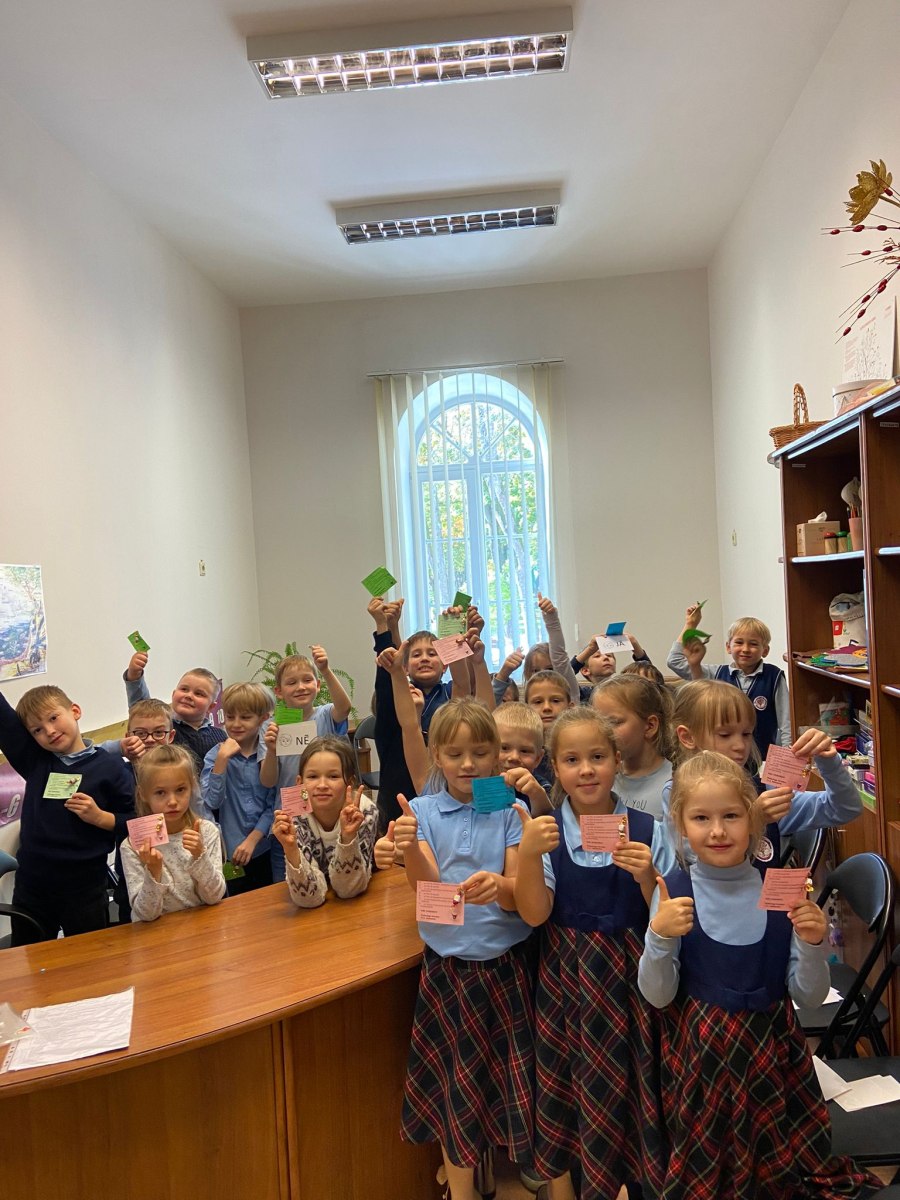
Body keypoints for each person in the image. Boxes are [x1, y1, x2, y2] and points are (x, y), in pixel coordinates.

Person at [639, 751, 879, 1199]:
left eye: (731, 816)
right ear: (680, 824)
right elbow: (657, 995)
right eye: (701, 818)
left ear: (753, 818)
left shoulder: (780, 889)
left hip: (775, 1055)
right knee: (712, 1179)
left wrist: (812, 943)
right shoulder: (673, 891)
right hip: (704, 1061)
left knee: (780, 1177)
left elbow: (809, 997)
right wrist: (659, 935)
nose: (717, 831)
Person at [513, 706, 673, 1200]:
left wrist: (647, 879)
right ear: (555, 768)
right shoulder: (545, 830)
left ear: (617, 761)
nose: (586, 770)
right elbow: (535, 914)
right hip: (568, 988)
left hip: (632, 985)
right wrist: (528, 854)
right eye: (572, 760)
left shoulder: (648, 829)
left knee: (638, 1089)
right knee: (572, 1093)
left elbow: (666, 916)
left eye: (598, 757)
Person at [395, 700, 535, 1200]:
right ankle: (463, 1190)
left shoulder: (508, 808)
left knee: (502, 1082)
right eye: (455, 754)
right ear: (437, 755)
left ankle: (492, 1169)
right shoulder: (423, 811)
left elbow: (519, 891)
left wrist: (500, 886)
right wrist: (409, 844)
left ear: (497, 754)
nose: (468, 764)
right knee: (456, 1084)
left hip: (506, 968)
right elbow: (427, 889)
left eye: (480, 752)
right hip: (449, 971)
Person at [667, 681, 863, 866]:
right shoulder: (675, 793)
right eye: (725, 735)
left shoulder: (765, 789)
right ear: (687, 737)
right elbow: (691, 858)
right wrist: (752, 820)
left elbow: (845, 809)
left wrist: (829, 762)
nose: (740, 745)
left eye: (746, 734)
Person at [0, 684, 134, 944]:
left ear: (75, 711)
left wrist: (101, 817)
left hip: (85, 886)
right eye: (37, 730)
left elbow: (138, 822)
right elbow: (4, 721)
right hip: (33, 885)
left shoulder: (111, 768)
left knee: (87, 956)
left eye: (53, 718)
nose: (49, 731)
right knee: (31, 956)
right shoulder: (36, 761)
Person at [259, 646, 350, 878]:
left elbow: (344, 707)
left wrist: (325, 670)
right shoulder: (270, 727)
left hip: (327, 812)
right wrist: (271, 750)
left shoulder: (326, 714)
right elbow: (267, 781)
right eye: (291, 683)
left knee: (331, 875)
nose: (300, 687)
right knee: (289, 878)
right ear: (279, 692)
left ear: (317, 686)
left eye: (307, 680)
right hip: (289, 815)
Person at [121, 743, 225, 921]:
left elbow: (214, 897)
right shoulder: (133, 845)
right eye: (160, 792)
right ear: (143, 794)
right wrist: (153, 871)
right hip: (156, 933)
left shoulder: (206, 831)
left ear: (192, 787)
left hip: (202, 926)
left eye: (180, 790)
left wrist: (200, 856)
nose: (172, 801)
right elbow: (146, 915)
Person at [666, 610, 790, 758]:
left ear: (765, 650)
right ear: (728, 647)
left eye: (753, 644)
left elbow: (786, 722)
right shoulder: (715, 674)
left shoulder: (774, 676)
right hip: (723, 758)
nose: (745, 649)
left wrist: (787, 758)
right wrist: (690, 624)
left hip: (763, 759)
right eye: (739, 642)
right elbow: (674, 661)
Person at [271, 736, 377, 908]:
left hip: (357, 905)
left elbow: (349, 890)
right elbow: (309, 899)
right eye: (312, 776)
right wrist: (291, 849)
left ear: (349, 783)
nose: (322, 785)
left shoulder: (364, 811)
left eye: (333, 776)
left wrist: (348, 838)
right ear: (300, 783)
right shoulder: (295, 817)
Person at [201, 682, 275, 894]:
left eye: (245, 717)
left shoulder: (269, 755)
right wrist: (222, 760)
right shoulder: (215, 755)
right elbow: (212, 801)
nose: (235, 724)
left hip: (264, 848)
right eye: (230, 716)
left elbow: (273, 803)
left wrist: (253, 839)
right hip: (230, 853)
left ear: (263, 718)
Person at [109, 697, 176, 923]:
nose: (149, 740)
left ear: (170, 736)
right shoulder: (118, 774)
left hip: (177, 869)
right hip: (133, 872)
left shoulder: (180, 772)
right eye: (140, 733)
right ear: (128, 737)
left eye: (158, 733)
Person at [592, 674, 675, 820]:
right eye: (598, 723)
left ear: (650, 726)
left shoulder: (676, 785)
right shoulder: (598, 778)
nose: (603, 732)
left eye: (614, 722)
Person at [123, 650, 226, 766]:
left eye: (198, 694)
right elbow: (142, 710)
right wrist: (134, 676)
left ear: (211, 706)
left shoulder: (220, 736)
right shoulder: (164, 730)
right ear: (173, 695)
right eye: (184, 689)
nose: (189, 696)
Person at [493, 701, 551, 815]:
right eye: (504, 748)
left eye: (525, 751)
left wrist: (537, 796)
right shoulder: (476, 781)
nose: (514, 757)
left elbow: (551, 820)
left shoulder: (540, 788)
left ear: (538, 759)